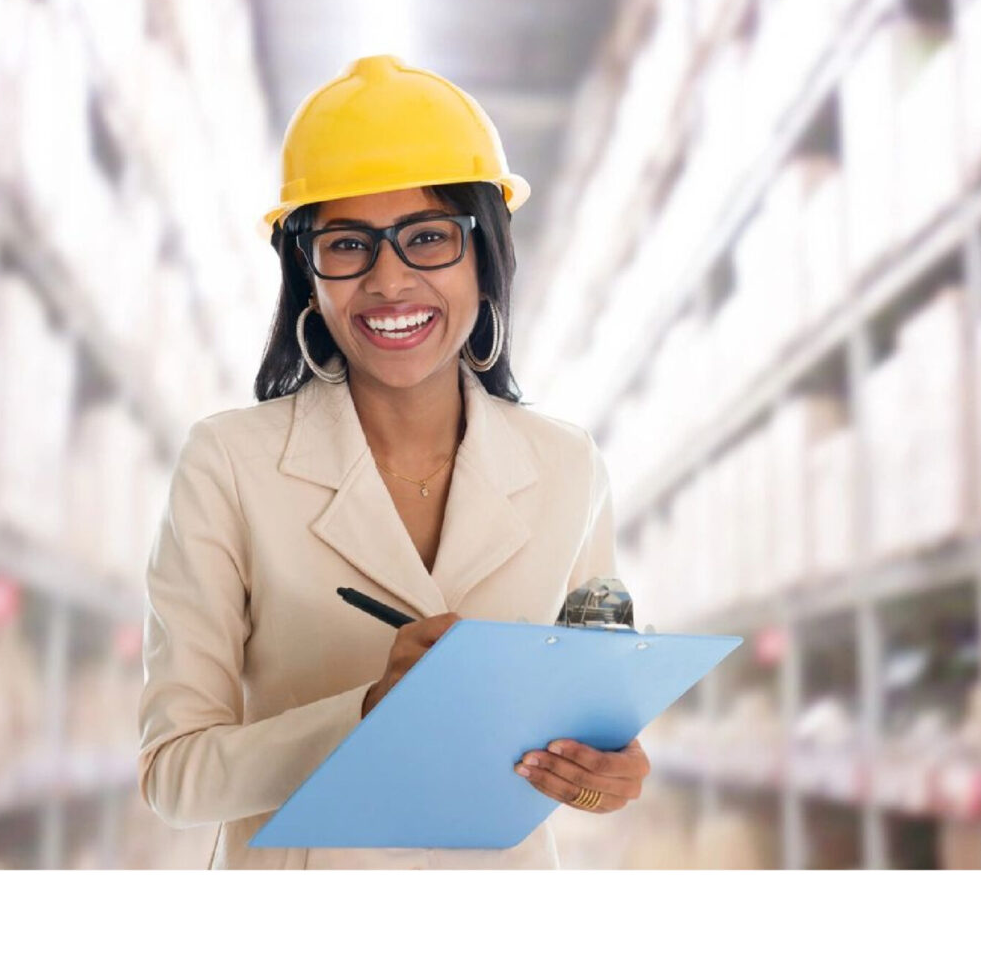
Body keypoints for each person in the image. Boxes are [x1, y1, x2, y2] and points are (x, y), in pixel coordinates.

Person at [137, 53, 651, 869]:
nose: (389, 279)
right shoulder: (230, 464)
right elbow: (173, 776)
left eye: (427, 238)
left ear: (486, 258)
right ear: (308, 276)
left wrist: (600, 777)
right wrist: (368, 711)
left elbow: (584, 741)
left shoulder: (565, 468)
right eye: (347, 245)